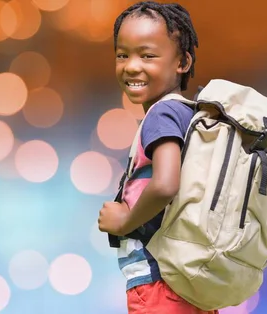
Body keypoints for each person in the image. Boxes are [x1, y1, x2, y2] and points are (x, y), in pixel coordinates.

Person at [97, 2, 219, 313]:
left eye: (148, 55)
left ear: (183, 61)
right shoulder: (190, 115)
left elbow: (166, 185)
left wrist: (125, 221)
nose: (132, 66)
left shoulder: (161, 114)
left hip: (160, 286)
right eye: (122, 54)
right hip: (190, 283)